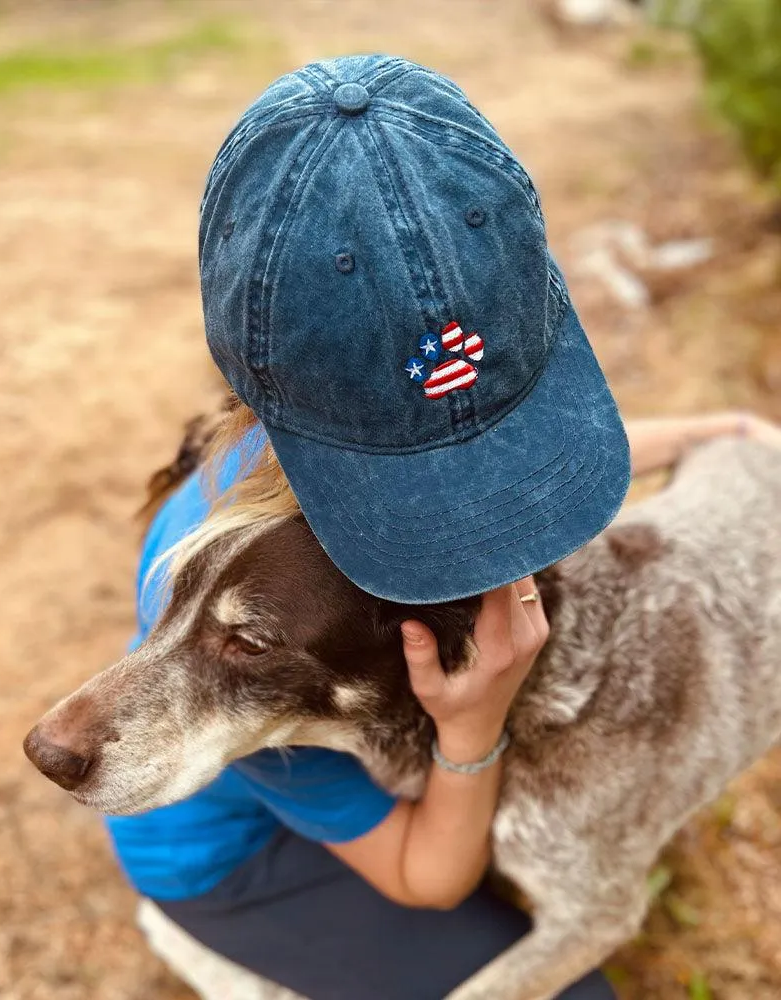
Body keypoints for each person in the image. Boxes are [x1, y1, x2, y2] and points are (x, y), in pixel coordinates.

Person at [103, 57, 774, 999]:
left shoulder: (306, 428)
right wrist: (472, 727)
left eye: (475, 459)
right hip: (242, 858)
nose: (474, 525)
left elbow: (501, 447)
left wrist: (715, 433)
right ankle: (213, 946)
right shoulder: (245, 623)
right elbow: (429, 877)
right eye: (421, 487)